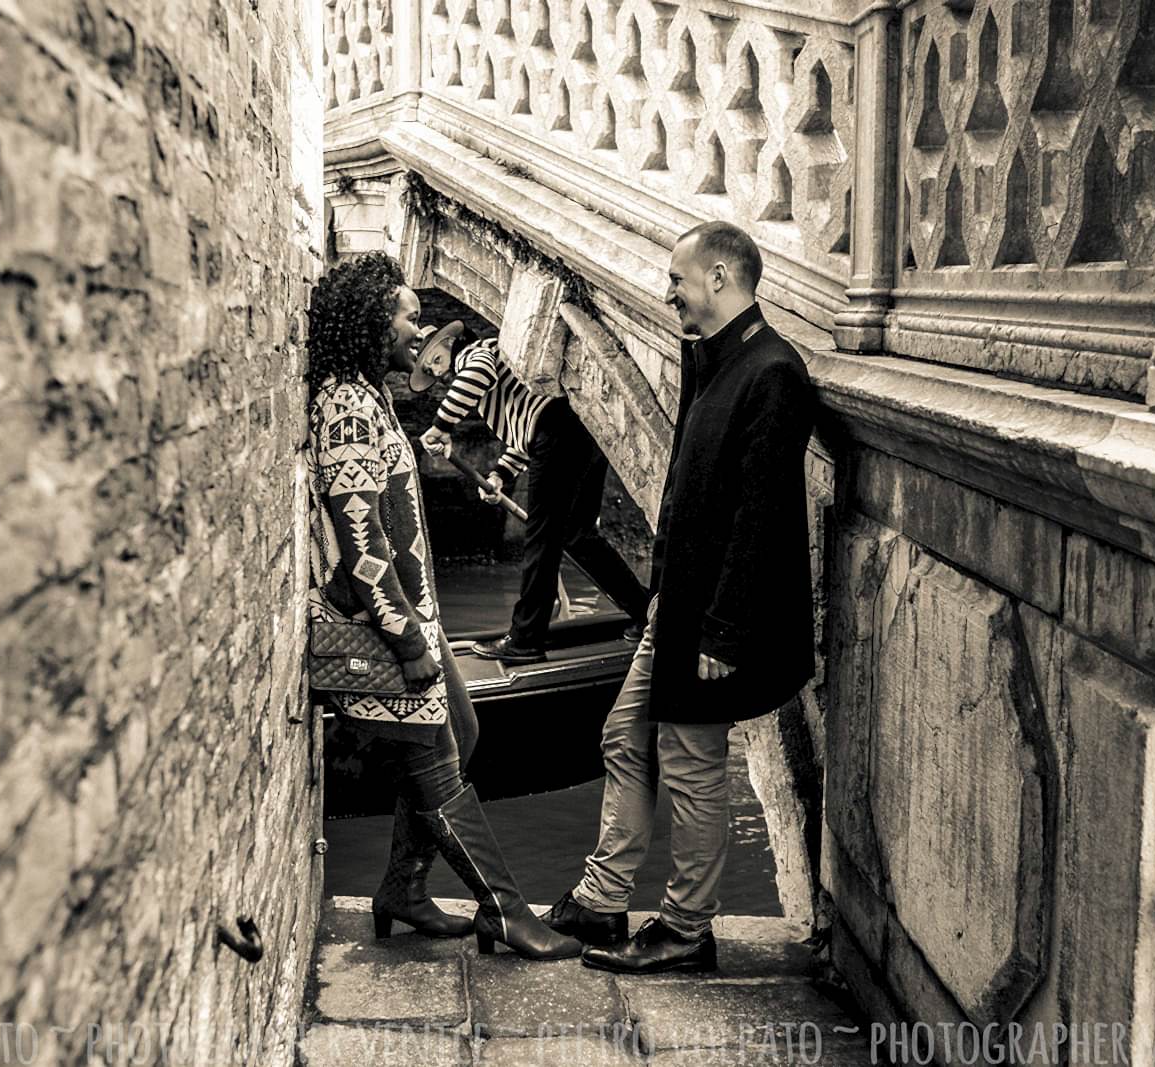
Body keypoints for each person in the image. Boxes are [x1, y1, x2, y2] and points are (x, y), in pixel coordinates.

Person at [540, 222, 817, 974]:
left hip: (716, 623)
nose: (668, 291)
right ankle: (603, 897)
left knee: (694, 769)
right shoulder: (711, 362)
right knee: (623, 736)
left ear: (722, 277)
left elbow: (759, 521)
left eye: (678, 278)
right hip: (677, 606)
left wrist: (724, 635)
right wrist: (662, 595)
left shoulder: (773, 373)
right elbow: (682, 493)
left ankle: (687, 929)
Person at [304, 252, 580, 960]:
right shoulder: (344, 406)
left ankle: (400, 886)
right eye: (403, 312)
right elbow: (360, 542)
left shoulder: (368, 396)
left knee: (466, 730)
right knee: (435, 761)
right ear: (370, 320)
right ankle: (506, 910)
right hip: (393, 625)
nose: (415, 322)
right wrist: (407, 641)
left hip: (420, 615)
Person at [412, 328, 649, 664]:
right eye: (431, 371)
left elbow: (479, 375)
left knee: (541, 538)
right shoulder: (499, 376)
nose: (438, 373)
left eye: (435, 362)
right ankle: (648, 612)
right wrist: (499, 474)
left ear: (451, 344)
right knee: (576, 534)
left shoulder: (479, 353)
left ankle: (525, 639)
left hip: (557, 432)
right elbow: (524, 434)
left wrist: (441, 425)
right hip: (574, 430)